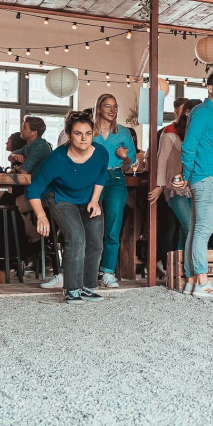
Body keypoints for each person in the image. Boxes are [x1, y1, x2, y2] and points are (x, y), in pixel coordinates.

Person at [27, 112, 107, 304]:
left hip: (88, 198)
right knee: (76, 238)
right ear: (69, 135)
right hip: (60, 198)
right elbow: (34, 189)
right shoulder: (56, 159)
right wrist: (41, 216)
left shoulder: (101, 153)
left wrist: (95, 200)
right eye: (78, 133)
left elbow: (101, 174)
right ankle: (72, 289)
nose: (84, 138)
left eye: (88, 133)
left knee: (95, 240)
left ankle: (87, 287)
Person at [179, 71, 213, 299]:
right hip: (207, 177)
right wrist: (187, 174)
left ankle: (192, 282)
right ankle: (202, 283)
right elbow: (188, 145)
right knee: (202, 231)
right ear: (210, 88)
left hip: (204, 177)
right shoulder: (204, 112)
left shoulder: (209, 113)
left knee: (195, 229)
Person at [91, 94, 136, 288]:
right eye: (107, 106)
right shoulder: (89, 131)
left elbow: (131, 163)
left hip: (116, 178)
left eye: (115, 106)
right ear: (99, 108)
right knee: (91, 225)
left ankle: (108, 272)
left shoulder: (124, 133)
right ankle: (88, 269)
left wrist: (125, 157)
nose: (112, 110)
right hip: (92, 179)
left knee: (113, 227)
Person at [151, 99, 201, 256]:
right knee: (190, 227)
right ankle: (187, 265)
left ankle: (180, 266)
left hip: (193, 188)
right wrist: (160, 185)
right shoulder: (169, 132)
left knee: (184, 230)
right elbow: (161, 160)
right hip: (174, 189)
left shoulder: (197, 134)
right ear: (187, 112)